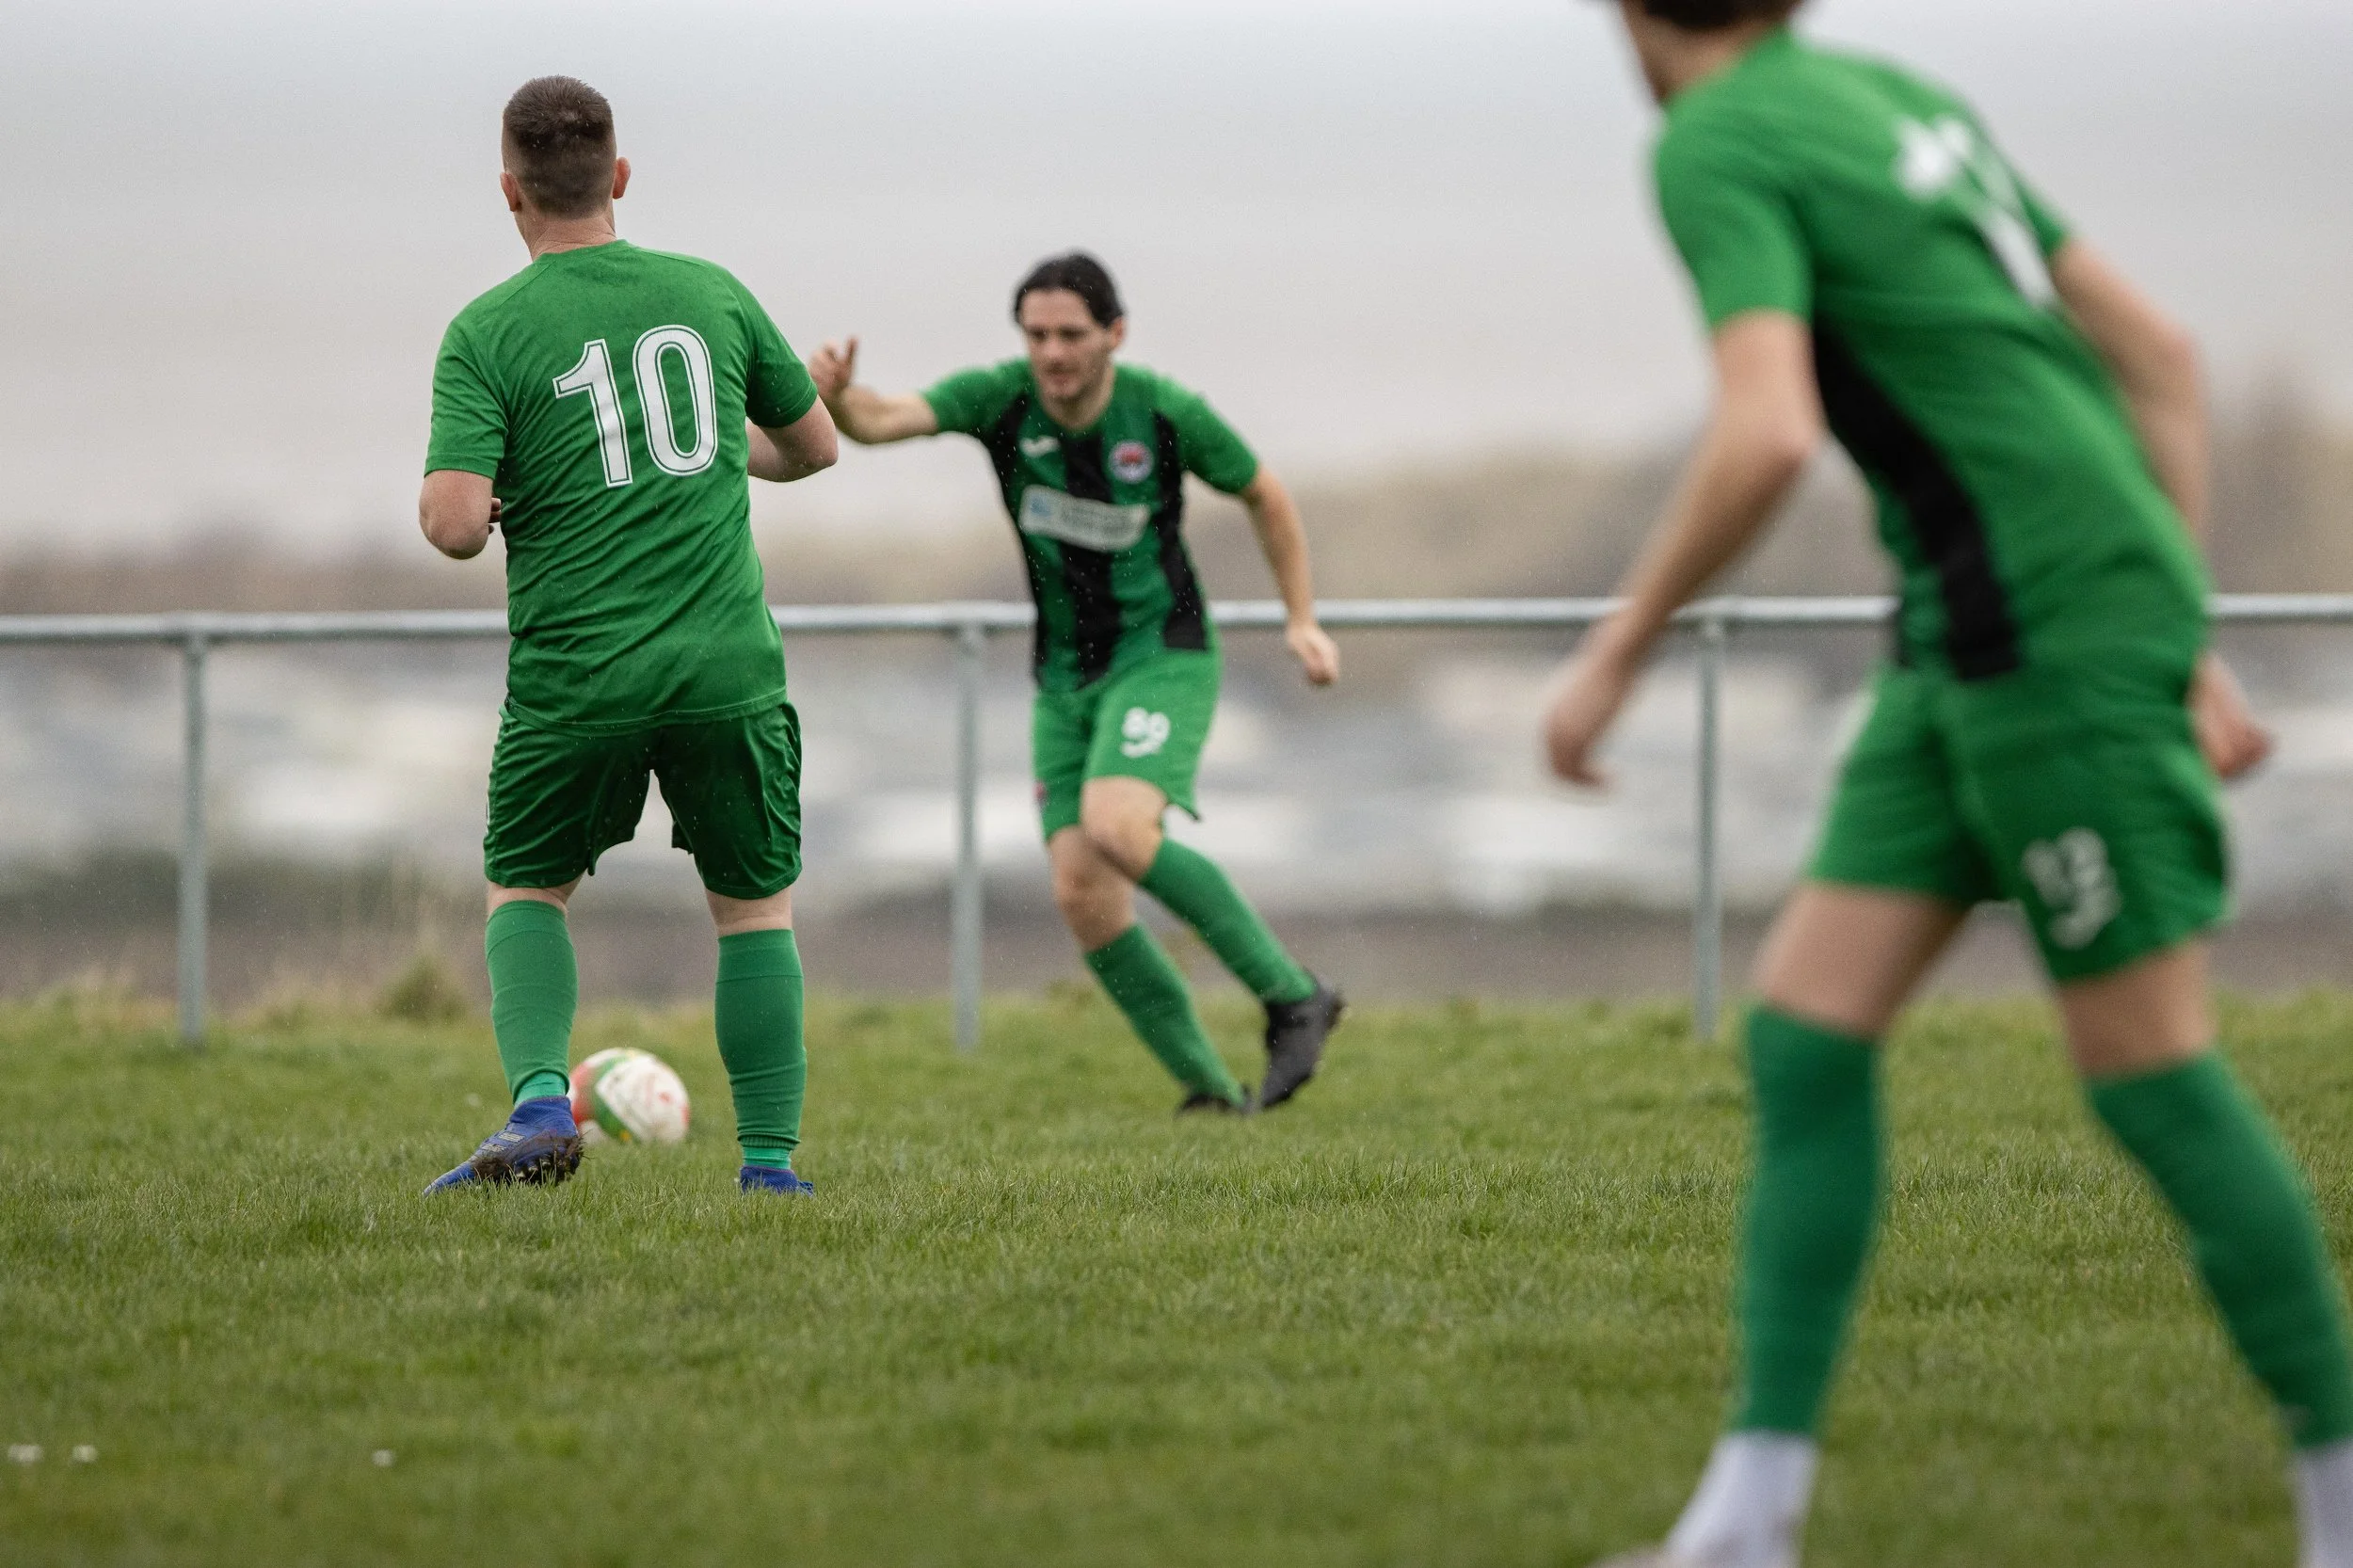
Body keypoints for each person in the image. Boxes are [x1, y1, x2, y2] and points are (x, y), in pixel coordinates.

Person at [1547, 5, 2353, 1564]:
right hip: (1974, 626)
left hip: (2031, 623)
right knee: (1804, 1030)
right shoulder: (1887, 92)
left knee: (2146, 1061)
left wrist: (1616, 650)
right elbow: (2161, 356)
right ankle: (1745, 1525)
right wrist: (2167, 618)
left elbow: (1768, 432)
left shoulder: (1712, 140)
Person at [418, 76, 839, 1197]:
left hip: (579, 674)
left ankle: (540, 1108)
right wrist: (708, 445)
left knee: (528, 886)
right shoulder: (710, 292)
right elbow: (815, 449)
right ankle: (770, 1169)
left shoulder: (487, 331)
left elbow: (456, 526)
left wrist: (486, 496)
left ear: (509, 191)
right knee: (752, 912)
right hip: (725, 666)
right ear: (618, 177)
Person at [808, 254, 1343, 1112]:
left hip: (1160, 656)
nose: (1052, 352)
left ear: (1114, 336)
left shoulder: (1164, 412)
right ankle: (1211, 1097)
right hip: (1062, 678)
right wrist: (837, 395)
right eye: (1037, 334)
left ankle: (1293, 996)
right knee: (1082, 892)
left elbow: (1265, 494)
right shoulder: (1001, 398)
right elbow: (882, 420)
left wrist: (1302, 619)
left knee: (1117, 825)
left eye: (1071, 335)